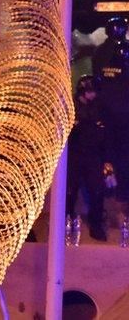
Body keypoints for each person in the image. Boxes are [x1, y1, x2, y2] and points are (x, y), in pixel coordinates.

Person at [66, 75, 109, 241]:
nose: (94, 95)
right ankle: (66, 223)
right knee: (70, 192)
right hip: (75, 155)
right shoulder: (72, 107)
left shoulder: (97, 107)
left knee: (97, 191)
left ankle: (96, 225)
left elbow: (104, 133)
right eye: (91, 92)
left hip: (93, 156)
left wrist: (106, 158)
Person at [98, 41, 129, 204]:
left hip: (108, 117)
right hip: (123, 120)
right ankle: (122, 192)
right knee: (123, 158)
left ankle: (112, 189)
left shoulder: (106, 68)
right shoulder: (125, 71)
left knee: (110, 156)